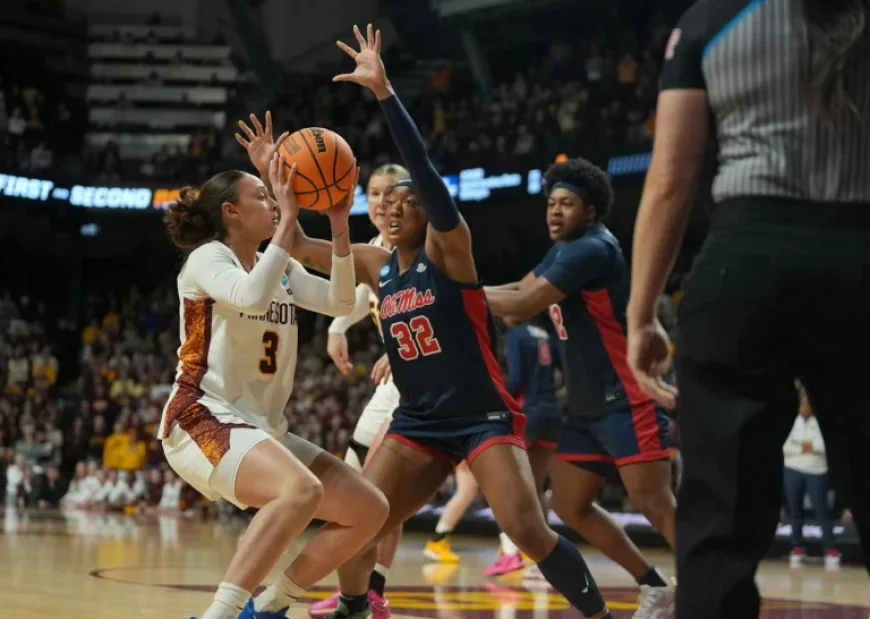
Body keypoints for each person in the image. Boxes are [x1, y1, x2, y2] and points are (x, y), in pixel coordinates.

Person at [291, 24, 614, 619]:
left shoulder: (450, 247)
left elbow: (429, 182)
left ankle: (598, 615)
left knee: (526, 529)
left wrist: (385, 94)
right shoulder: (374, 263)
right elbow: (304, 250)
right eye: (383, 203)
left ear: (426, 210)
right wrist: (282, 194)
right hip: (418, 420)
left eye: (403, 202)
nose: (390, 209)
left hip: (480, 416)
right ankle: (356, 605)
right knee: (357, 516)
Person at [625, 0, 870, 617]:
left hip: (744, 264)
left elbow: (672, 179)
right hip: (859, 254)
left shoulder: (711, 19)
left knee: (719, 518)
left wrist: (642, 310)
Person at [159, 119, 389, 619]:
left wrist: (339, 221)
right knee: (300, 490)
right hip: (200, 417)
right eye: (262, 195)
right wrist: (288, 220)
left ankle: (268, 607)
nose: (276, 198)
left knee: (368, 510)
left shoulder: (278, 263)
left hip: (262, 428)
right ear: (231, 213)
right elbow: (249, 294)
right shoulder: (207, 258)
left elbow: (341, 299)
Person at [484, 157, 676, 618]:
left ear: (590, 211)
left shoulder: (592, 248)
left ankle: (714, 590)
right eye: (550, 203)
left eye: (566, 204)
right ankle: (654, 585)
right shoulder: (565, 248)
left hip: (628, 397)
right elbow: (522, 285)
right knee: (569, 505)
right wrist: (459, 288)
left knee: (656, 503)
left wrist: (448, 295)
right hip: (587, 406)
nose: (554, 212)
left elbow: (526, 302)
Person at [308, 162, 410, 619]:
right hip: (395, 383)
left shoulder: (418, 247)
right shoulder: (372, 249)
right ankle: (359, 591)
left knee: (380, 490)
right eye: (374, 193)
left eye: (391, 194)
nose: (381, 202)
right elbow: (354, 298)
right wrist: (336, 330)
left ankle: (371, 593)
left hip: (423, 380)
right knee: (356, 485)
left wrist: (403, 347)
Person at [485, 315, 559, 577]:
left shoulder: (516, 335)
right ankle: (546, 555)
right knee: (537, 486)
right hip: (552, 412)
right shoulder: (544, 334)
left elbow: (516, 378)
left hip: (528, 413)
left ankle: (509, 553)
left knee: (505, 483)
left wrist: (497, 396)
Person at [783, 385, 840, 568]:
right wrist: (806, 447)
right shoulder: (791, 420)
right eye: (802, 403)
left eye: (807, 404)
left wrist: (801, 446)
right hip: (792, 469)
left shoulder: (821, 422)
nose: (804, 407)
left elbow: (824, 447)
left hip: (816, 471)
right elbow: (784, 447)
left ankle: (830, 549)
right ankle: (798, 547)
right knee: (795, 511)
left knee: (822, 511)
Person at [423, 461, 479, 563]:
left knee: (467, 490)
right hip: (469, 448)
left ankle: (438, 540)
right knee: (466, 491)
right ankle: (437, 541)